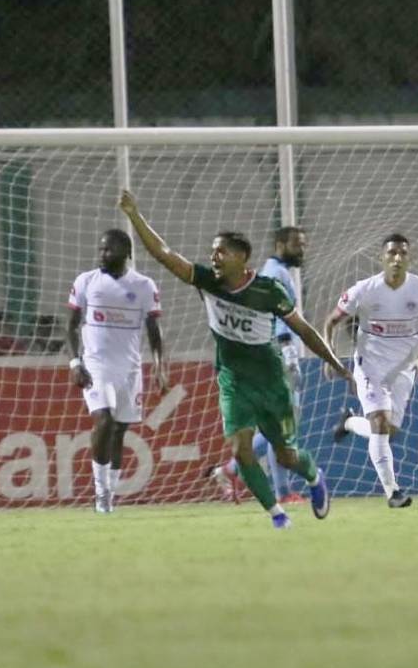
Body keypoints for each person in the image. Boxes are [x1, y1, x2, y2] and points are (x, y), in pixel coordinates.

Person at [118, 190, 349, 529]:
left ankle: (314, 477)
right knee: (240, 450)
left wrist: (336, 362)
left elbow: (304, 329)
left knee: (285, 455)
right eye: (212, 251)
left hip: (271, 382)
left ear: (242, 256)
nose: (214, 256)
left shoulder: (268, 290)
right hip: (233, 381)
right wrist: (135, 215)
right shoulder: (208, 281)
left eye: (221, 251)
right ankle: (277, 515)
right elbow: (165, 255)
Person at [325, 233, 418, 508]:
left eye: (403, 253)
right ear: (382, 258)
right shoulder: (364, 289)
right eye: (392, 253)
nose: (397, 258)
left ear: (409, 258)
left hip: (405, 368)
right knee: (379, 422)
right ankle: (393, 492)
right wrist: (330, 356)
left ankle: (350, 423)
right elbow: (331, 321)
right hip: (371, 365)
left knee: (388, 431)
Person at [206, 227, 323, 504]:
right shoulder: (273, 273)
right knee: (282, 430)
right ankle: (283, 493)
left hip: (280, 357)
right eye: (297, 244)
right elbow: (269, 315)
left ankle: (227, 471)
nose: (302, 249)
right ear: (280, 244)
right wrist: (287, 350)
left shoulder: (278, 271)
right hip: (276, 360)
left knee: (275, 431)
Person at [66, 228, 168, 514]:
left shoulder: (144, 286)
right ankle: (100, 494)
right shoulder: (86, 281)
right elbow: (71, 325)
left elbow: (154, 330)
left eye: (108, 250)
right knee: (105, 420)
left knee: (120, 431)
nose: (102, 254)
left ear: (125, 253)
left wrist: (160, 366)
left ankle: (109, 496)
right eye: (101, 249)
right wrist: (75, 362)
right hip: (96, 366)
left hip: (130, 369)